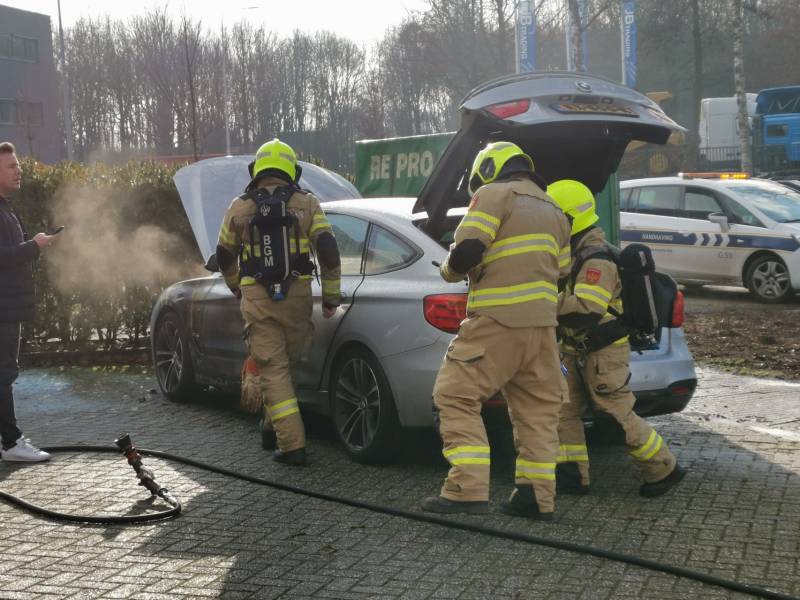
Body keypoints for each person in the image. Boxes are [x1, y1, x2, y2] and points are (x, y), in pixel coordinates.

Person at [421, 141, 571, 520]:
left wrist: (448, 272)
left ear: (487, 169)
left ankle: (466, 490)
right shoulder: (555, 209)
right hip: (542, 328)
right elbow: (563, 272)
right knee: (537, 412)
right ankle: (536, 497)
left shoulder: (494, 194)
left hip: (498, 322)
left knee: (454, 395)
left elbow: (469, 249)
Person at [547, 179, 686, 498]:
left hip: (602, 353)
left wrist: (543, 301)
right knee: (563, 410)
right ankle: (571, 475)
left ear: (569, 219)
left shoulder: (597, 260)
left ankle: (664, 468)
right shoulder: (574, 254)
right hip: (574, 351)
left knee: (615, 411)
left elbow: (586, 311)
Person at [216, 138, 341, 466]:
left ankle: (292, 446)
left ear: (256, 170)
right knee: (285, 366)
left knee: (272, 369)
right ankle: (271, 428)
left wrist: (234, 287)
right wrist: (331, 296)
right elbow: (328, 249)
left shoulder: (239, 206)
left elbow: (223, 254)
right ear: (292, 169)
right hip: (298, 296)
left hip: (257, 298)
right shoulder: (308, 203)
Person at [0, 142, 56, 462]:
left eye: (18, 165)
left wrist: (32, 245)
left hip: (7, 307)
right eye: (11, 166)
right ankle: (11, 443)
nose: (18, 170)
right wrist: (33, 246)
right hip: (3, 309)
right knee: (4, 373)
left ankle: (8, 440)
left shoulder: (5, 207)